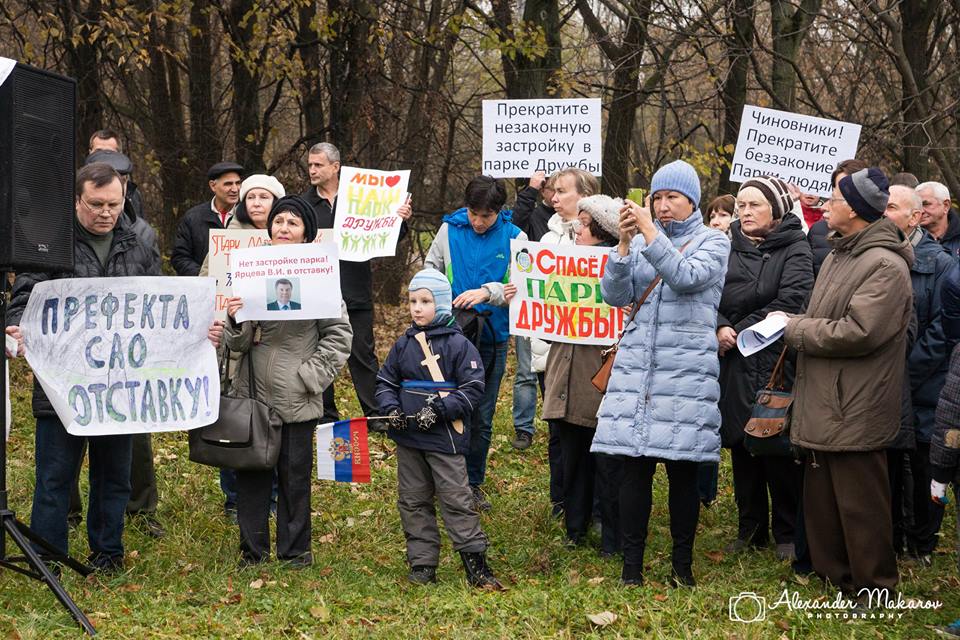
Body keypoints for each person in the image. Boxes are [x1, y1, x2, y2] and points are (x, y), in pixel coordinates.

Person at [5, 163, 223, 573]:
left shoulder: (138, 245)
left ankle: (108, 554)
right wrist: (17, 325)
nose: (105, 212)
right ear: (77, 201)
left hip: (123, 389)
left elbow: (161, 310)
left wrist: (201, 331)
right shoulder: (50, 246)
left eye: (114, 204)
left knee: (114, 478)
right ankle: (49, 558)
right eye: (96, 204)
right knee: (55, 478)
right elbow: (24, 298)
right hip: (63, 389)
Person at [591, 160, 730, 587]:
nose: (664, 205)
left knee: (683, 473)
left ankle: (681, 567)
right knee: (634, 472)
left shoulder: (714, 241)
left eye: (673, 197)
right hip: (638, 372)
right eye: (658, 197)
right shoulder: (641, 242)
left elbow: (686, 277)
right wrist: (622, 245)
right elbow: (614, 296)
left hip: (685, 374)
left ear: (692, 201)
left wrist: (649, 233)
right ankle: (631, 567)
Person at [776, 167, 911, 600]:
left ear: (852, 209)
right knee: (824, 500)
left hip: (855, 403)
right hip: (825, 398)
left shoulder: (885, 265)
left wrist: (793, 329)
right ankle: (838, 580)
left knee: (861, 506)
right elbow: (824, 318)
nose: (826, 205)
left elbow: (859, 331)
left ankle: (875, 589)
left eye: (833, 199)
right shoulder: (839, 255)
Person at [224, 195, 353, 566]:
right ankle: (252, 551)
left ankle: (295, 552)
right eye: (279, 221)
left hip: (296, 395)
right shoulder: (251, 270)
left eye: (293, 223)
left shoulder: (321, 275)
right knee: (252, 475)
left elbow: (339, 336)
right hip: (252, 394)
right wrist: (237, 321)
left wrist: (309, 376)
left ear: (306, 233)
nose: (283, 228)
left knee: (294, 478)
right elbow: (238, 344)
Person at [376, 268, 503, 589]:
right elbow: (386, 382)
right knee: (413, 499)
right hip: (409, 438)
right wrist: (390, 408)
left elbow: (473, 387)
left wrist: (441, 409)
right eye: (412, 301)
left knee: (456, 499)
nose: (417, 308)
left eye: (425, 301)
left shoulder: (459, 345)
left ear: (442, 304)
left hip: (445, 438)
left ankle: (475, 563)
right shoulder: (403, 345)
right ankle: (422, 564)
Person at [717, 177, 813, 562]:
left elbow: (792, 300)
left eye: (754, 205)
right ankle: (750, 527)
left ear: (775, 210)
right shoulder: (726, 246)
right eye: (741, 205)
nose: (744, 212)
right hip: (735, 362)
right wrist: (720, 325)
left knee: (776, 446)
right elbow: (708, 294)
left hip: (776, 362)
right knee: (742, 444)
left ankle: (786, 533)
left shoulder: (797, 248)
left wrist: (737, 328)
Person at [425, 175, 526, 512]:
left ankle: (472, 483)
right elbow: (429, 272)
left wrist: (488, 292)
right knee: (445, 407)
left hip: (492, 337)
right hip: (450, 335)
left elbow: (518, 286)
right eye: (474, 213)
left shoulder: (515, 238)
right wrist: (439, 303)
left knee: (481, 414)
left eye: (487, 216)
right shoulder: (449, 230)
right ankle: (442, 480)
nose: (479, 222)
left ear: (499, 211)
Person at [300, 142, 413, 423]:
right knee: (320, 353)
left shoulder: (361, 198)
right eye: (310, 165)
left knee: (362, 354)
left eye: (318, 165)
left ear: (335, 167)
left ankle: (376, 415)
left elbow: (386, 237)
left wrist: (399, 220)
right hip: (317, 294)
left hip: (355, 289)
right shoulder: (303, 205)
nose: (312, 170)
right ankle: (325, 417)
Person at [200, 173, 285, 522]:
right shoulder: (225, 242)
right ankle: (234, 498)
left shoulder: (290, 242)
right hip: (232, 351)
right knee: (233, 422)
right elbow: (208, 287)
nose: (256, 204)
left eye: (264, 197)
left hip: (274, 351)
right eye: (251, 198)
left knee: (271, 423)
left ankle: (274, 495)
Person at [540, 194, 621, 551]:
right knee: (571, 455)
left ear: (603, 232)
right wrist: (525, 298)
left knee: (604, 460)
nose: (577, 230)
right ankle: (575, 527)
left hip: (601, 375)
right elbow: (545, 326)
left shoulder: (621, 268)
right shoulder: (562, 264)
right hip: (564, 376)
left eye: (585, 225)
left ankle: (605, 523)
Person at [884, 184, 956, 565]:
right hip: (886, 385)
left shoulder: (939, 262)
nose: (883, 213)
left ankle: (923, 542)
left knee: (926, 461)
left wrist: (906, 369)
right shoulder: (879, 256)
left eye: (891, 207)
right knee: (893, 463)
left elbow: (944, 327)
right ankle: (895, 537)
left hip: (926, 383)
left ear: (914, 217)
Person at [509, 170, 557, 452]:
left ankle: (557, 423)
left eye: (561, 189)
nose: (555, 195)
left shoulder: (579, 219)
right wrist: (529, 190)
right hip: (532, 300)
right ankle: (524, 428)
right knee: (527, 369)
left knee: (558, 369)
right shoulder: (533, 215)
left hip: (563, 302)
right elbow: (515, 226)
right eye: (550, 189)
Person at [172, 162, 245, 276]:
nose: (235, 189)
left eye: (238, 183)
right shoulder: (193, 217)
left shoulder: (247, 216)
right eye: (228, 184)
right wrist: (205, 277)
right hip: (202, 289)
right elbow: (180, 258)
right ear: (213, 186)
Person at [808, 159, 867, 276]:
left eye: (845, 189)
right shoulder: (818, 230)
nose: (837, 193)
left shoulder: (876, 242)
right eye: (836, 187)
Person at [917, 181, 960, 259]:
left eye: (926, 204)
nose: (921, 211)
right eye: (917, 205)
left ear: (946, 206)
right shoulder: (909, 238)